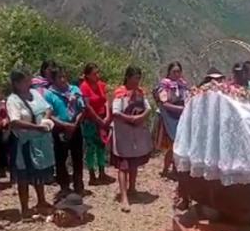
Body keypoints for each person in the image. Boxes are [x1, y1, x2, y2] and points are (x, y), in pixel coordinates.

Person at [6, 69, 55, 218]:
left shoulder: (35, 94)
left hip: (40, 140)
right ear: (16, 83)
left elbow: (48, 108)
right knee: (24, 174)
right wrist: (36, 127)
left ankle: (41, 201)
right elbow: (14, 122)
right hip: (24, 142)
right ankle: (25, 207)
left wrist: (45, 120)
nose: (29, 83)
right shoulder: (13, 100)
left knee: (39, 172)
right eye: (25, 81)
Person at [112, 66, 153, 212]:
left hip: (137, 133)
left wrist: (140, 117)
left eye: (139, 78)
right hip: (123, 134)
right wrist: (130, 118)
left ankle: (133, 189)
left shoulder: (140, 93)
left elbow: (148, 108)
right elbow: (115, 112)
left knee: (134, 162)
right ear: (128, 77)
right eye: (135, 78)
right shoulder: (120, 93)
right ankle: (124, 196)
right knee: (123, 165)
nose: (137, 81)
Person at [44, 66, 86, 197]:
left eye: (64, 76)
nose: (63, 79)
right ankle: (64, 186)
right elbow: (49, 114)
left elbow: (82, 108)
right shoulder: (49, 94)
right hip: (59, 129)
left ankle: (78, 184)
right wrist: (64, 125)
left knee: (77, 157)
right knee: (61, 159)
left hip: (75, 127)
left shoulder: (74, 90)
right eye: (59, 77)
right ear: (54, 79)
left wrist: (74, 124)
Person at [153, 61, 189, 178]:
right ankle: (165, 169)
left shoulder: (183, 85)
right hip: (169, 117)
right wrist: (180, 109)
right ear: (169, 72)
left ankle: (175, 169)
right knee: (173, 144)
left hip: (181, 117)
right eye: (174, 71)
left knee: (179, 144)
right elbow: (164, 103)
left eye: (179, 71)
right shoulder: (164, 85)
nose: (177, 74)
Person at [79, 63, 111, 185]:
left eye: (98, 73)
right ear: (87, 75)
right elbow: (87, 106)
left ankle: (102, 171)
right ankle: (92, 174)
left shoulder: (101, 85)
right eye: (94, 73)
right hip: (90, 121)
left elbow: (106, 101)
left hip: (102, 118)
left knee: (101, 145)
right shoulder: (84, 87)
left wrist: (107, 116)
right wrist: (98, 119)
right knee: (91, 147)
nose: (97, 75)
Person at [0, 92, 9, 178]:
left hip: (1, 130)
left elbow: (6, 115)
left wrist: (5, 120)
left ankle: (2, 169)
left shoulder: (3, 104)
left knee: (2, 150)